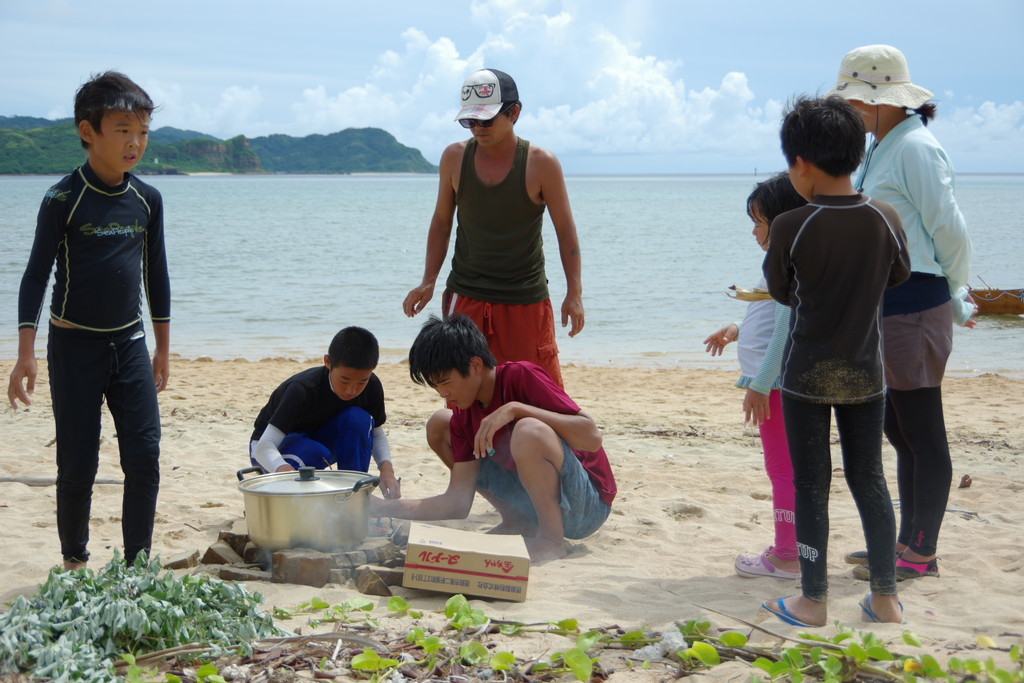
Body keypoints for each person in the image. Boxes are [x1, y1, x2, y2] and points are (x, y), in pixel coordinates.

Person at [7, 71, 171, 570]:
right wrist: (25, 354)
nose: (135, 143)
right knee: (78, 464)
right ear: (88, 131)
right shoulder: (62, 199)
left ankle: (137, 566)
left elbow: (156, 276)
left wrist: (162, 349)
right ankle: (75, 562)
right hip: (74, 348)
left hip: (130, 345)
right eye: (122, 130)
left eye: (142, 131)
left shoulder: (147, 199)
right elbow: (35, 276)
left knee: (144, 458)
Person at [761, 96, 911, 626]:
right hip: (867, 373)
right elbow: (899, 275)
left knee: (811, 485)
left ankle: (813, 600)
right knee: (869, 477)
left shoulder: (792, 225)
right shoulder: (884, 216)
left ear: (800, 162)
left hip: (806, 373)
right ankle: (887, 599)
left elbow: (781, 291)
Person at [828, 45, 974, 582]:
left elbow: (949, 230)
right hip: (886, 307)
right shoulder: (882, 146)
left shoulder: (915, 147)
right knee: (898, 430)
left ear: (877, 100)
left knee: (922, 431)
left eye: (852, 100)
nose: (847, 111)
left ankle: (921, 551)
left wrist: (956, 291)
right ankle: (905, 541)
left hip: (915, 303)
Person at [369, 314, 616, 561]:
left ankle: (551, 539)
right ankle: (517, 521)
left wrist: (516, 409)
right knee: (440, 422)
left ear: (475, 365)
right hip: (531, 506)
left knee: (528, 429)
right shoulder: (464, 414)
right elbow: (457, 502)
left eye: (446, 382)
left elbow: (591, 437)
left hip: (586, 506)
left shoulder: (520, 376)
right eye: (435, 386)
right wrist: (382, 507)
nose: (443, 393)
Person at [402, 68, 585, 388]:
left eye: (486, 120)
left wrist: (575, 292)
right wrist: (427, 281)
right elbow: (442, 221)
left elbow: (566, 230)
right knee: (463, 390)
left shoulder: (541, 163)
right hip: (467, 295)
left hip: (524, 299)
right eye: (469, 121)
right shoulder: (454, 158)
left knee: (536, 390)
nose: (478, 129)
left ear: (514, 113)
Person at [703, 172, 806, 580]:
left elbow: (784, 329)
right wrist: (738, 329)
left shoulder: (785, 261)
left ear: (781, 222)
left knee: (782, 470)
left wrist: (760, 384)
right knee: (790, 470)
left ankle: (786, 555)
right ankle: (796, 547)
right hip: (778, 382)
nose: (754, 230)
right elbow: (777, 318)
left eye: (759, 221)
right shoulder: (788, 260)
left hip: (776, 386)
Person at [249, 326, 401, 499]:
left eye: (362, 382)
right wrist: (287, 474)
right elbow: (263, 447)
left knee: (360, 420)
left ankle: (353, 495)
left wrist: (386, 470)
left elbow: (376, 433)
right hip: (272, 450)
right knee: (314, 451)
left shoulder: (372, 385)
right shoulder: (302, 389)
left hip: (320, 440)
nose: (352, 390)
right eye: (344, 380)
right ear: (327, 362)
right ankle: (294, 496)